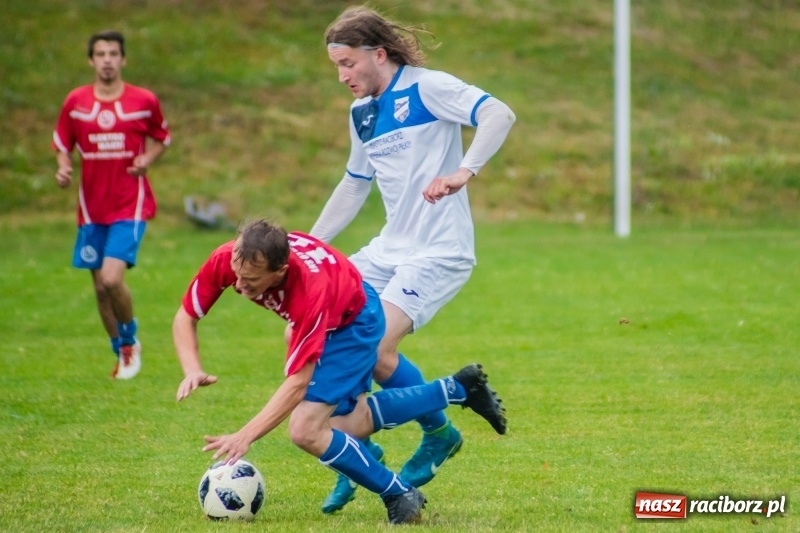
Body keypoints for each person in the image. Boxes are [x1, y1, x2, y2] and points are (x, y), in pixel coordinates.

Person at [308, 5, 516, 512]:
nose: (342, 76)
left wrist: (464, 171)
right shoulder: (361, 113)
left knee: (375, 345)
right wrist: (309, 246)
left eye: (348, 64)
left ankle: (424, 436)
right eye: (336, 66)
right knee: (321, 325)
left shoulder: (427, 88)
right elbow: (354, 184)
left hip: (438, 250)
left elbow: (499, 114)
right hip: (389, 248)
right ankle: (368, 447)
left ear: (378, 54)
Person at [172, 219, 506, 525]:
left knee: (306, 429)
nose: (239, 285)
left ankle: (398, 492)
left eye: (251, 281)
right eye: (237, 274)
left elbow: (298, 383)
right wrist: (192, 369)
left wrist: (245, 435)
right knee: (349, 425)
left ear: (280, 271)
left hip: (353, 323)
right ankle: (457, 389)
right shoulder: (231, 257)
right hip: (342, 306)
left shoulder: (309, 292)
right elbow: (185, 316)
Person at [52, 30, 171, 379]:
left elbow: (163, 137)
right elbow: (62, 144)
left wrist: (147, 159)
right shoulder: (76, 102)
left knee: (110, 279)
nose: (107, 60)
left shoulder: (143, 101)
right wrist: (63, 167)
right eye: (101, 54)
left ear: (123, 59)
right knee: (100, 290)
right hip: (91, 210)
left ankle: (130, 340)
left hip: (129, 206)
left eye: (113, 54)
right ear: (91, 61)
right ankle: (120, 350)